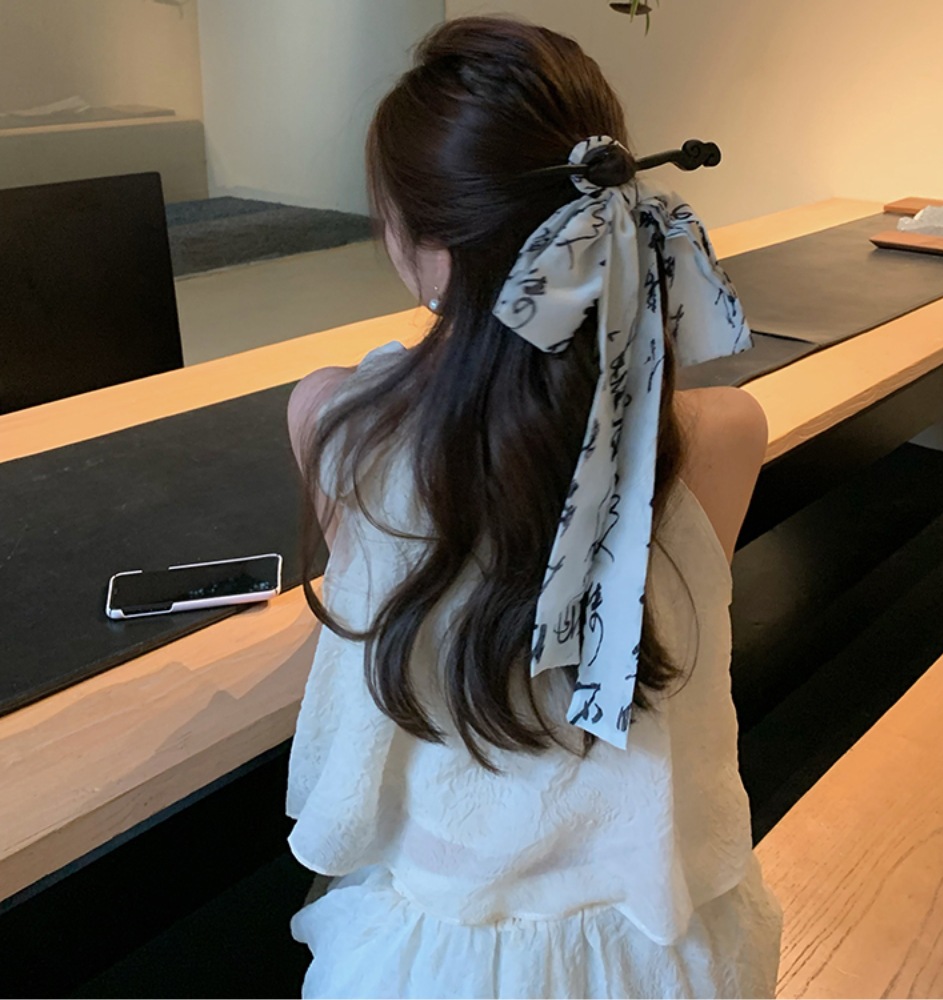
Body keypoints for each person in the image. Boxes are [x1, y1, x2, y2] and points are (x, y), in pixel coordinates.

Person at [284, 15, 781, 1000]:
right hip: (670, 952)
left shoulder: (337, 423)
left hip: (429, 961)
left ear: (425, 244)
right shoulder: (723, 434)